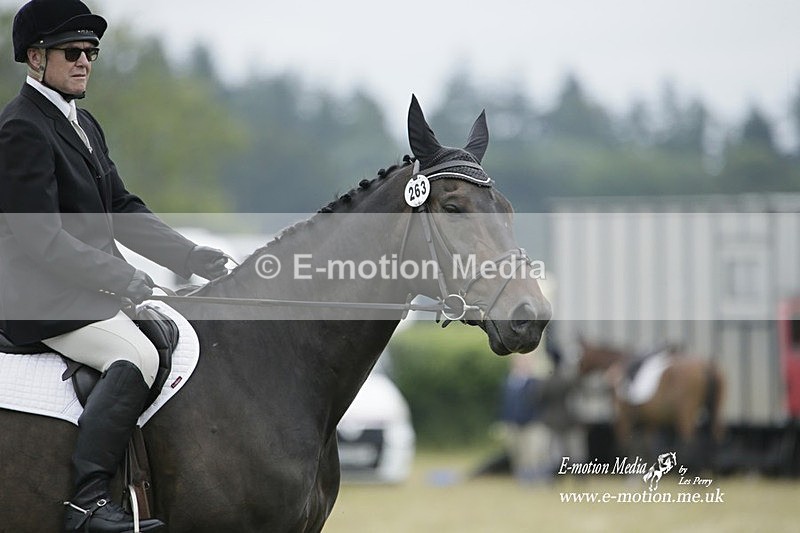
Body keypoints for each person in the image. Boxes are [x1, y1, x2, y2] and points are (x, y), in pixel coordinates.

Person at [0, 1, 229, 531]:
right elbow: (40, 238)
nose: (85, 62)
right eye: (72, 52)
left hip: (81, 291)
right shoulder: (20, 128)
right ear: (36, 58)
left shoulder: (82, 123)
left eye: (92, 53)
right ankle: (87, 503)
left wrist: (188, 256)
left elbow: (120, 206)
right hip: (42, 299)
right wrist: (118, 277)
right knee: (138, 358)